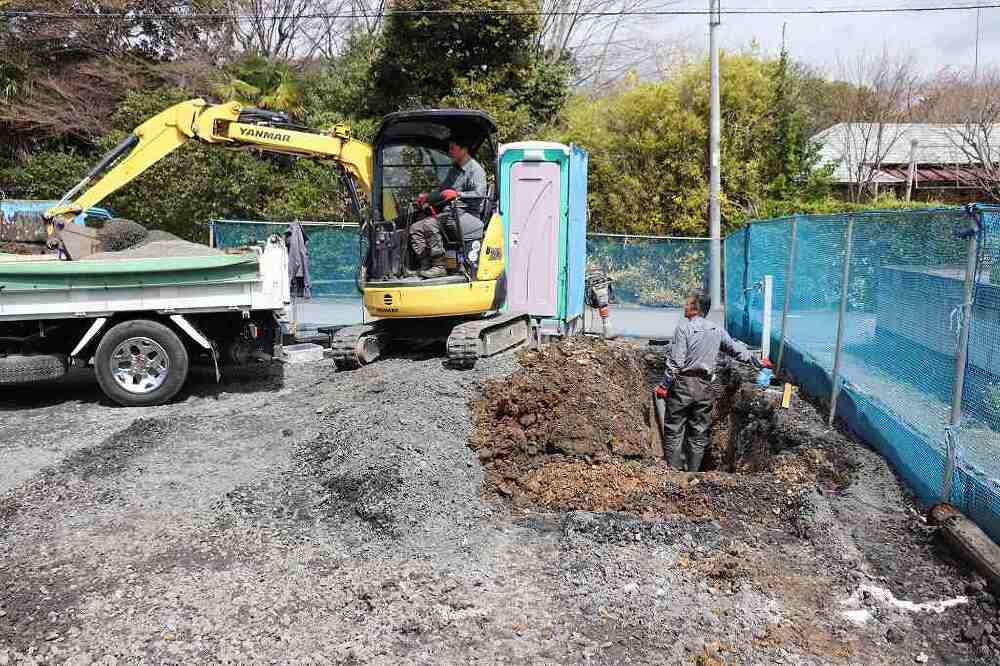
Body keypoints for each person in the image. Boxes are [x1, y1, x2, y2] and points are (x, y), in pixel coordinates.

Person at [656, 292, 772, 472]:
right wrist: (757, 361)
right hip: (705, 387)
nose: (684, 307)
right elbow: (736, 350)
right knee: (699, 431)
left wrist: (664, 386)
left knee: (674, 429)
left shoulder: (683, 329)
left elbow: (676, 363)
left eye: (687, 304)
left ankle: (673, 472)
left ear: (695, 308)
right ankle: (694, 474)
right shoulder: (716, 330)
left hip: (683, 386)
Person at [408, 135, 488, 279]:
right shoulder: (454, 170)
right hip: (450, 213)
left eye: (453, 148)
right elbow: (442, 192)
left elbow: (479, 194)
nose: (450, 151)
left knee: (429, 224)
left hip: (468, 215)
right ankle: (426, 264)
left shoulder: (476, 170)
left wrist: (457, 193)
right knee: (416, 228)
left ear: (463, 149)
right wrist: (427, 197)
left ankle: (440, 266)